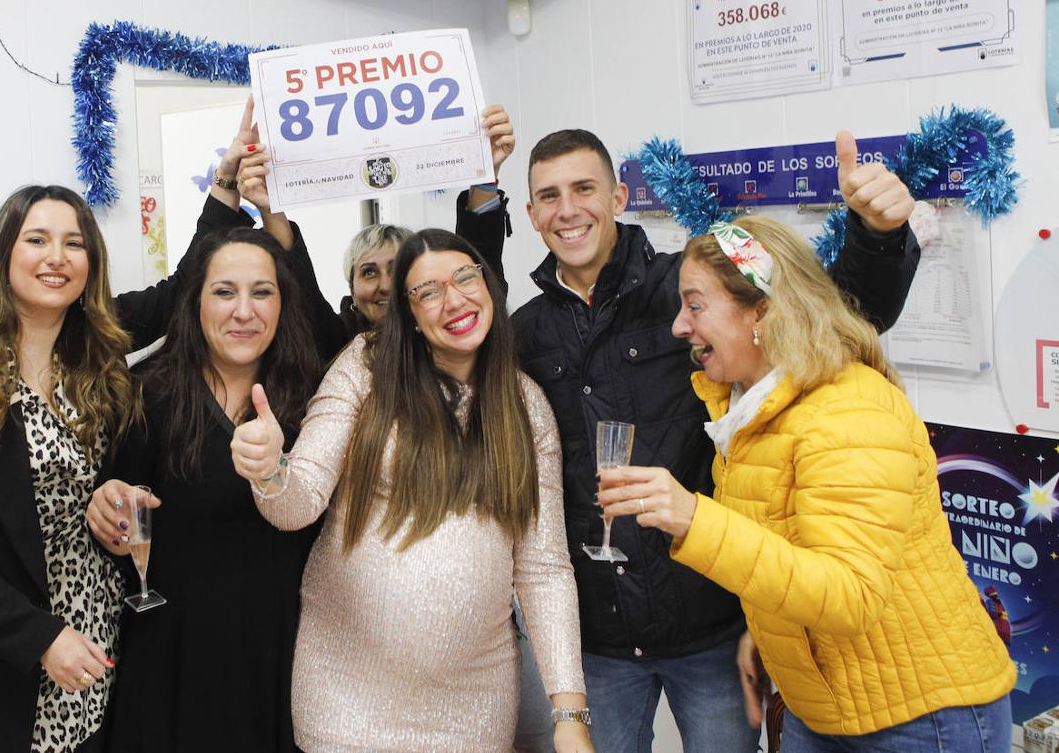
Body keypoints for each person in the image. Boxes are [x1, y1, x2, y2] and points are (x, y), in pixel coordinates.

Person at [511, 128, 922, 752]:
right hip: (600, 634)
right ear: (532, 214)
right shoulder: (526, 330)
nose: (568, 209)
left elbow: (828, 308)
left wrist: (878, 234)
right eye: (549, 196)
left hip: (712, 624)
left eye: (584, 188)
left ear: (619, 196)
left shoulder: (695, 277)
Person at [0, 116, 260, 752]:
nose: (57, 258)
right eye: (37, 240)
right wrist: (37, 639)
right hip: (1, 662)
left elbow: (179, 292)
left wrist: (226, 182)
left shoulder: (96, 351)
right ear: (4, 253)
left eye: (75, 244)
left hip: (97, 647)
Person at [598, 215, 1015, 752]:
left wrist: (696, 519)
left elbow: (851, 593)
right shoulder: (750, 411)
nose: (679, 326)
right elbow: (793, 553)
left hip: (922, 716)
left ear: (763, 311)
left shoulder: (847, 408)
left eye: (696, 305)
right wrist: (773, 635)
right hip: (822, 706)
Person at [229, 230, 593, 753]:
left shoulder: (525, 405)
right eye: (428, 291)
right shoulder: (366, 367)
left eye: (465, 277)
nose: (454, 299)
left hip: (473, 702)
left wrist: (570, 713)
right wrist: (269, 470)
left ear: (487, 284)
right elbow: (299, 502)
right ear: (410, 314)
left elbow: (544, 567)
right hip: (345, 696)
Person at [84, 228, 322, 752]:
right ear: (195, 303)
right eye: (224, 292)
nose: (244, 311)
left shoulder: (316, 399)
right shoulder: (147, 393)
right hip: (171, 661)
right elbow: (118, 524)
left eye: (262, 292)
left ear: (284, 304)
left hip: (280, 659)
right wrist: (105, 513)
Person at [233, 104, 515, 352]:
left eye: (397, 268)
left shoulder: (450, 328)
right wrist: (270, 208)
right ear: (352, 289)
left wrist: (485, 174)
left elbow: (479, 264)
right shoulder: (336, 343)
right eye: (369, 272)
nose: (385, 285)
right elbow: (300, 288)